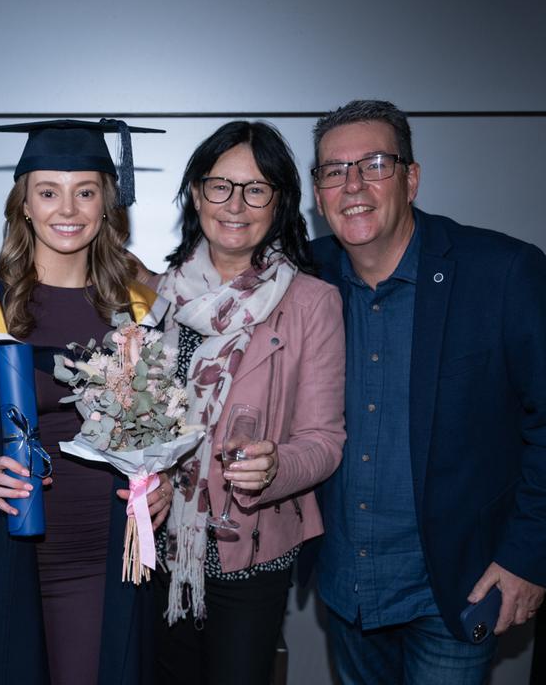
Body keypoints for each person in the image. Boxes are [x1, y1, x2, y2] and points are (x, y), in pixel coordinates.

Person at [309, 99, 546, 683]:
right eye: (334, 171)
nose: (354, 184)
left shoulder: (502, 271)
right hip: (347, 585)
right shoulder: (304, 279)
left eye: (374, 164)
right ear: (318, 194)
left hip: (455, 586)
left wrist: (527, 557)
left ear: (411, 179)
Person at [0, 119, 168, 685]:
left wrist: (160, 488)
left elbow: (161, 430)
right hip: (8, 534)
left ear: (106, 204)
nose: (68, 209)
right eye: (48, 192)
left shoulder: (140, 303)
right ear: (24, 205)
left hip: (105, 543)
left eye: (86, 191)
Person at [154, 121, 346, 685]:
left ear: (280, 201)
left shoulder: (312, 302)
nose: (235, 204)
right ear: (195, 193)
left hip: (251, 550)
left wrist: (277, 466)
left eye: (256, 189)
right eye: (220, 186)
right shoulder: (159, 295)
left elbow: (325, 439)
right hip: (157, 547)